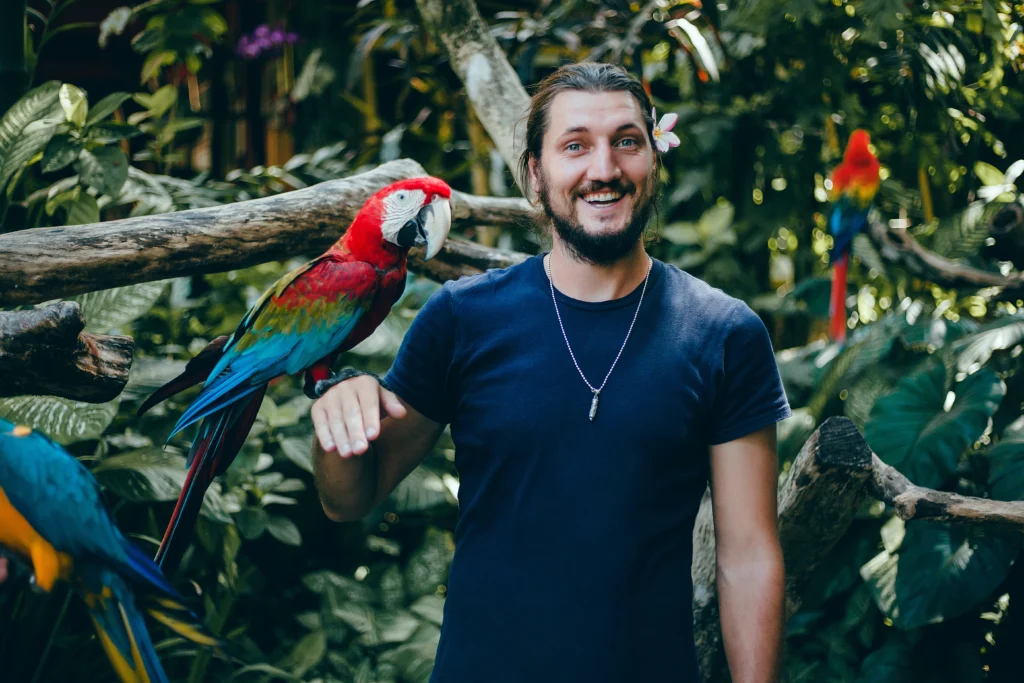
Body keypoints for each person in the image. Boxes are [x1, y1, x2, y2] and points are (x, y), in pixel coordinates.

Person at [311, 62, 791, 683]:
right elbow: (349, 499)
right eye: (575, 147)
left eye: (626, 141)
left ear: (653, 158)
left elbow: (748, 555)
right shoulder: (462, 318)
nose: (604, 169)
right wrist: (339, 416)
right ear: (535, 176)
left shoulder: (724, 334)